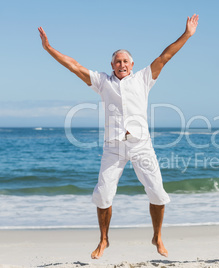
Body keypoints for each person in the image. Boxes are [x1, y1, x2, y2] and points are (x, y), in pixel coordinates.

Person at [38, 14, 199, 259]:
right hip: (113, 147)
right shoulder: (103, 82)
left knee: (156, 192)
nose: (121, 64)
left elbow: (165, 56)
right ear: (112, 65)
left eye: (125, 61)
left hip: (141, 145)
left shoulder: (144, 78)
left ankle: (157, 236)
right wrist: (49, 48)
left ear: (132, 64)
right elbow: (74, 65)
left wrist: (186, 34)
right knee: (103, 195)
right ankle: (104, 240)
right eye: (117, 61)